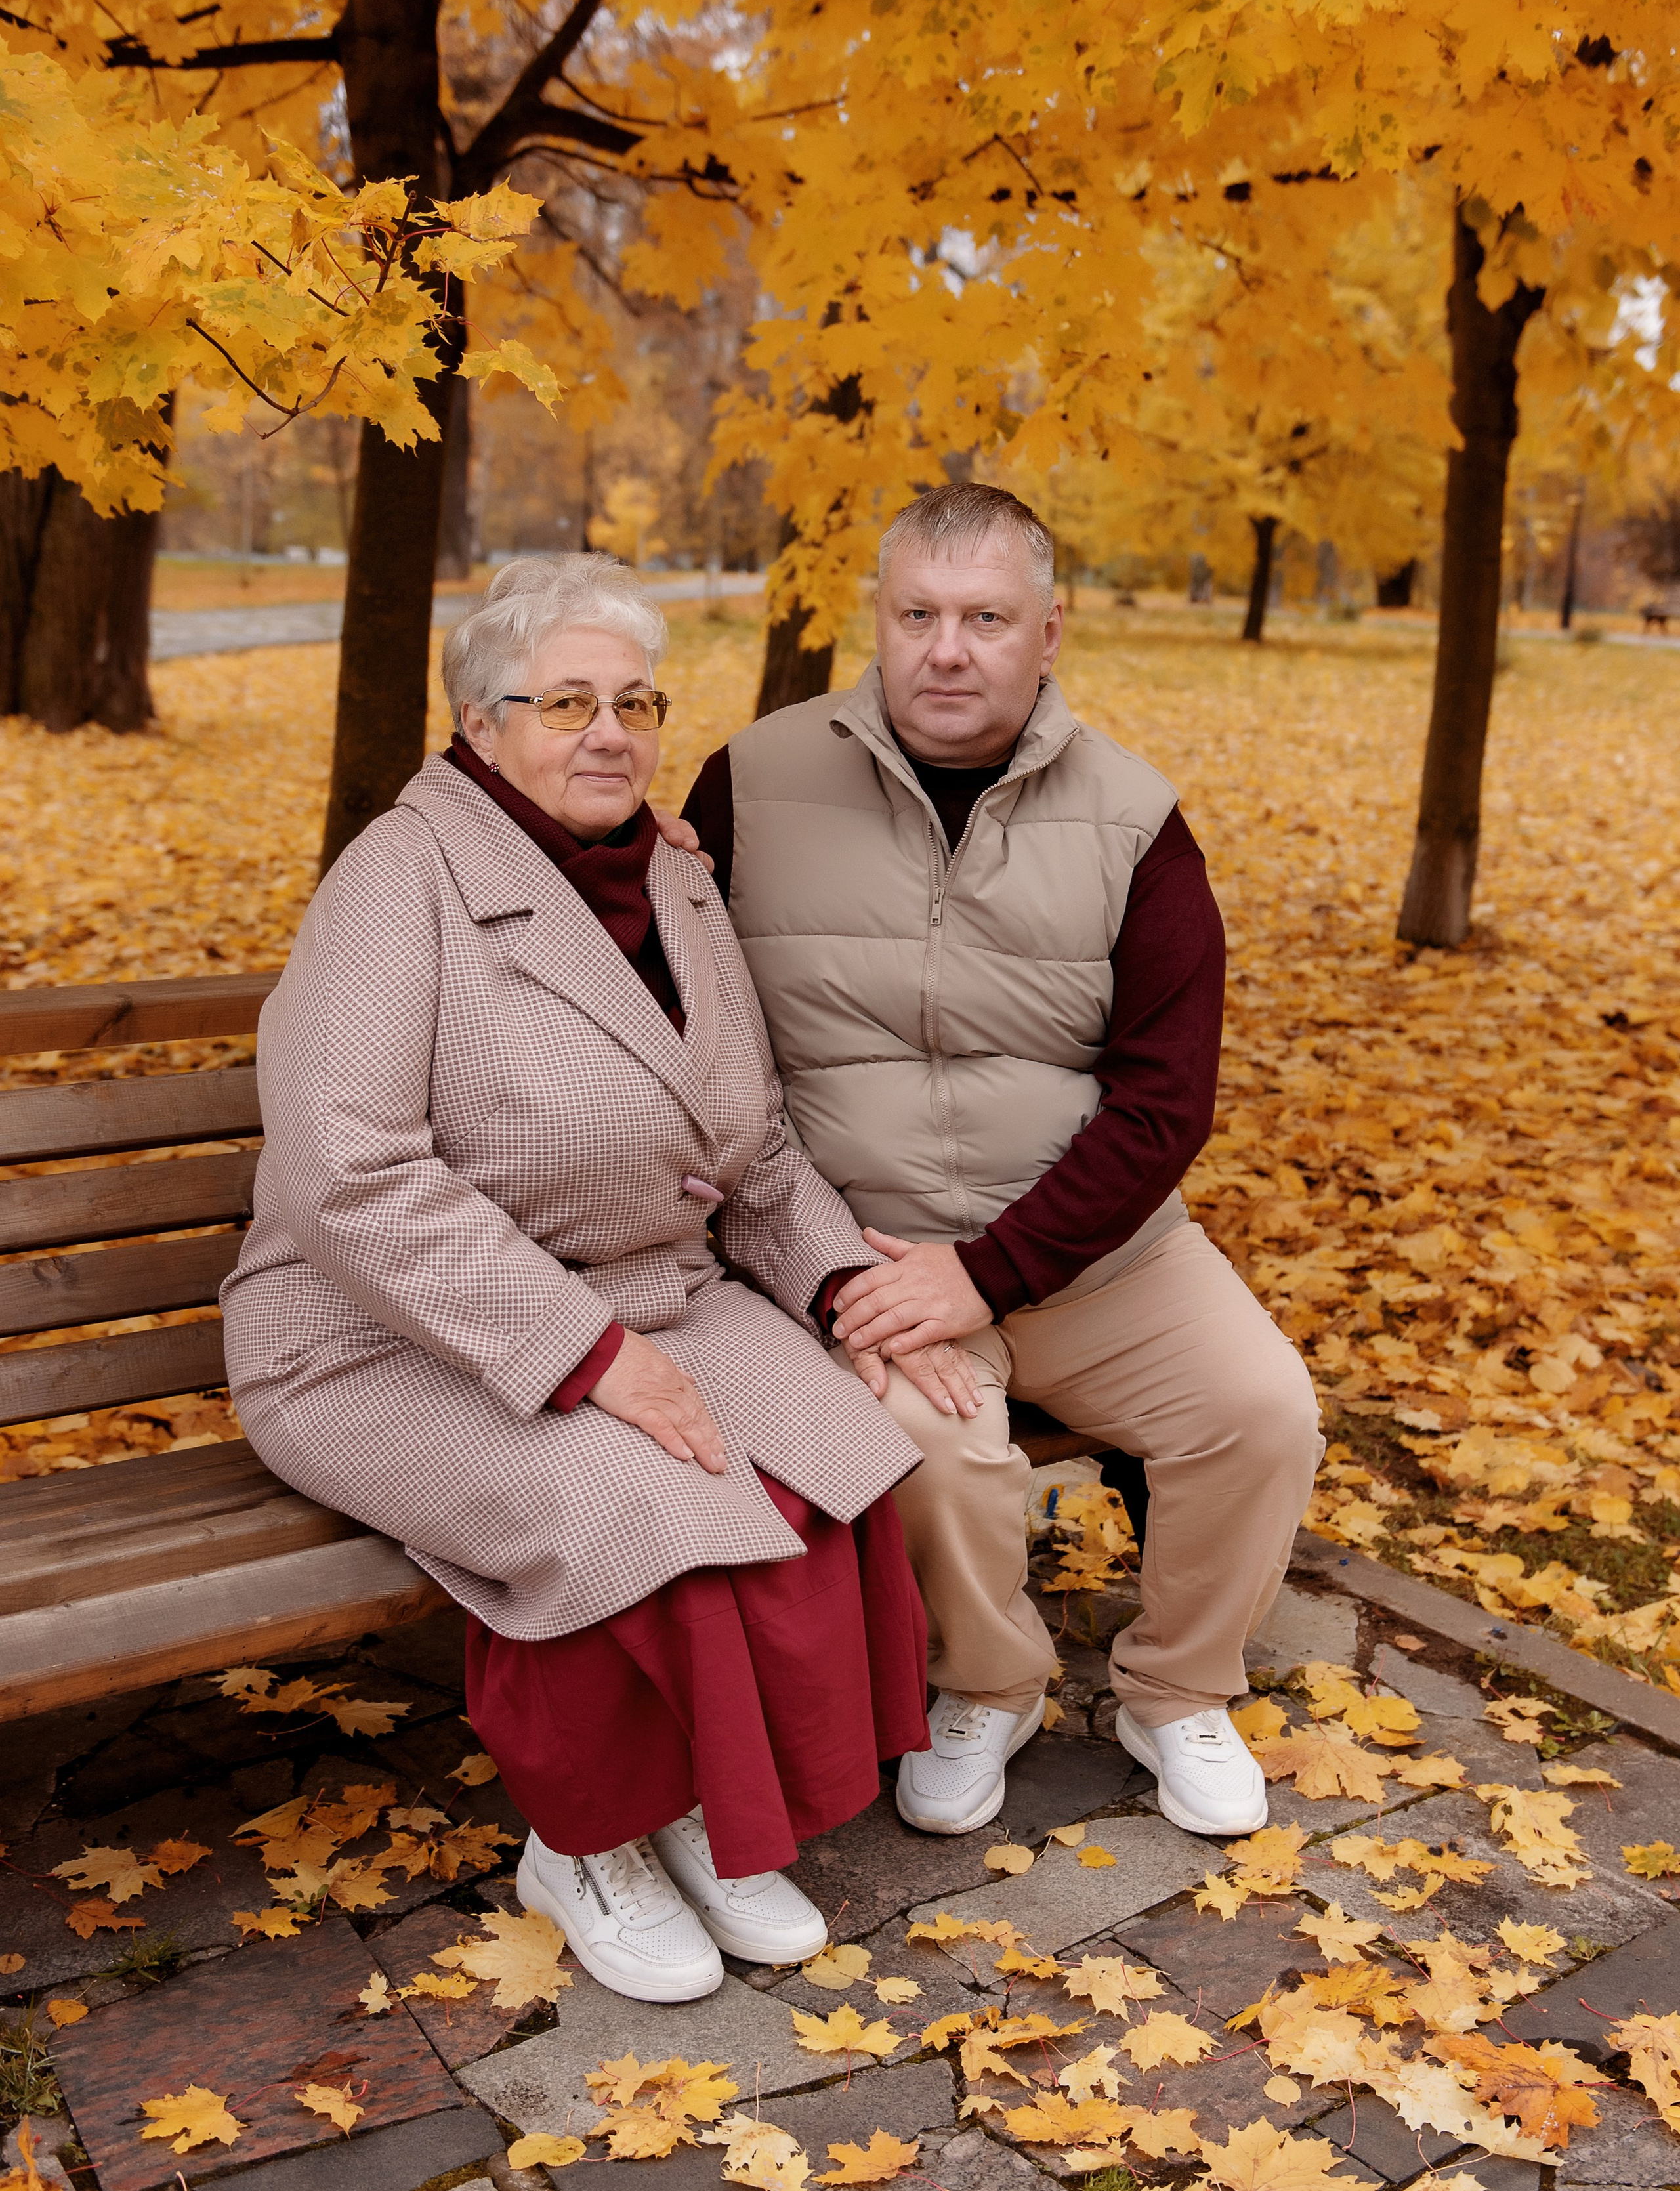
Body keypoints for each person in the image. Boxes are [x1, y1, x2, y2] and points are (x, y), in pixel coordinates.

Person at [220, 554, 933, 2005]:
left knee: (827, 1457)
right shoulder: (395, 879)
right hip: (376, 1333)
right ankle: (587, 1837)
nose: (608, 731)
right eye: (564, 701)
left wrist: (840, 1290)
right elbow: (351, 1172)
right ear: (483, 725)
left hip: (646, 1288)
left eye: (633, 700)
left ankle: (713, 1812)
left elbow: (753, 1140)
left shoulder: (669, 873)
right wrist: (595, 1361)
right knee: (636, 1502)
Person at [679, 484, 1324, 1842]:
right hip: (863, 1250)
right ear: (878, 618)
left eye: (984, 618)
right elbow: (679, 1026)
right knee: (928, 1441)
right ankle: (988, 1686)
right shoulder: (752, 782)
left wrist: (997, 1269)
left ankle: (1176, 1690)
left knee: (1261, 1408)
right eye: (916, 614)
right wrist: (833, 1267)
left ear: (1049, 632)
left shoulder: (1135, 817)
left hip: (1097, 1252)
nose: (946, 650)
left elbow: (1164, 1100)